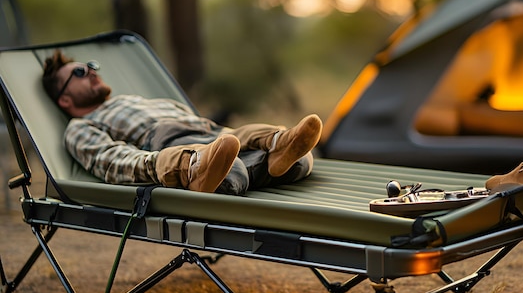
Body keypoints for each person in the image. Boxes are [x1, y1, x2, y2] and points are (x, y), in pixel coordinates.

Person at [41, 49, 323, 195]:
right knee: (232, 171)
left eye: (91, 66)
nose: (90, 71)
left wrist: (225, 140)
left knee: (301, 161)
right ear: (65, 100)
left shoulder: (134, 99)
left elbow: (213, 131)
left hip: (212, 135)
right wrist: (168, 164)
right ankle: (200, 173)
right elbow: (112, 162)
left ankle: (278, 144)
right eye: (79, 72)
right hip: (178, 147)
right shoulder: (80, 127)